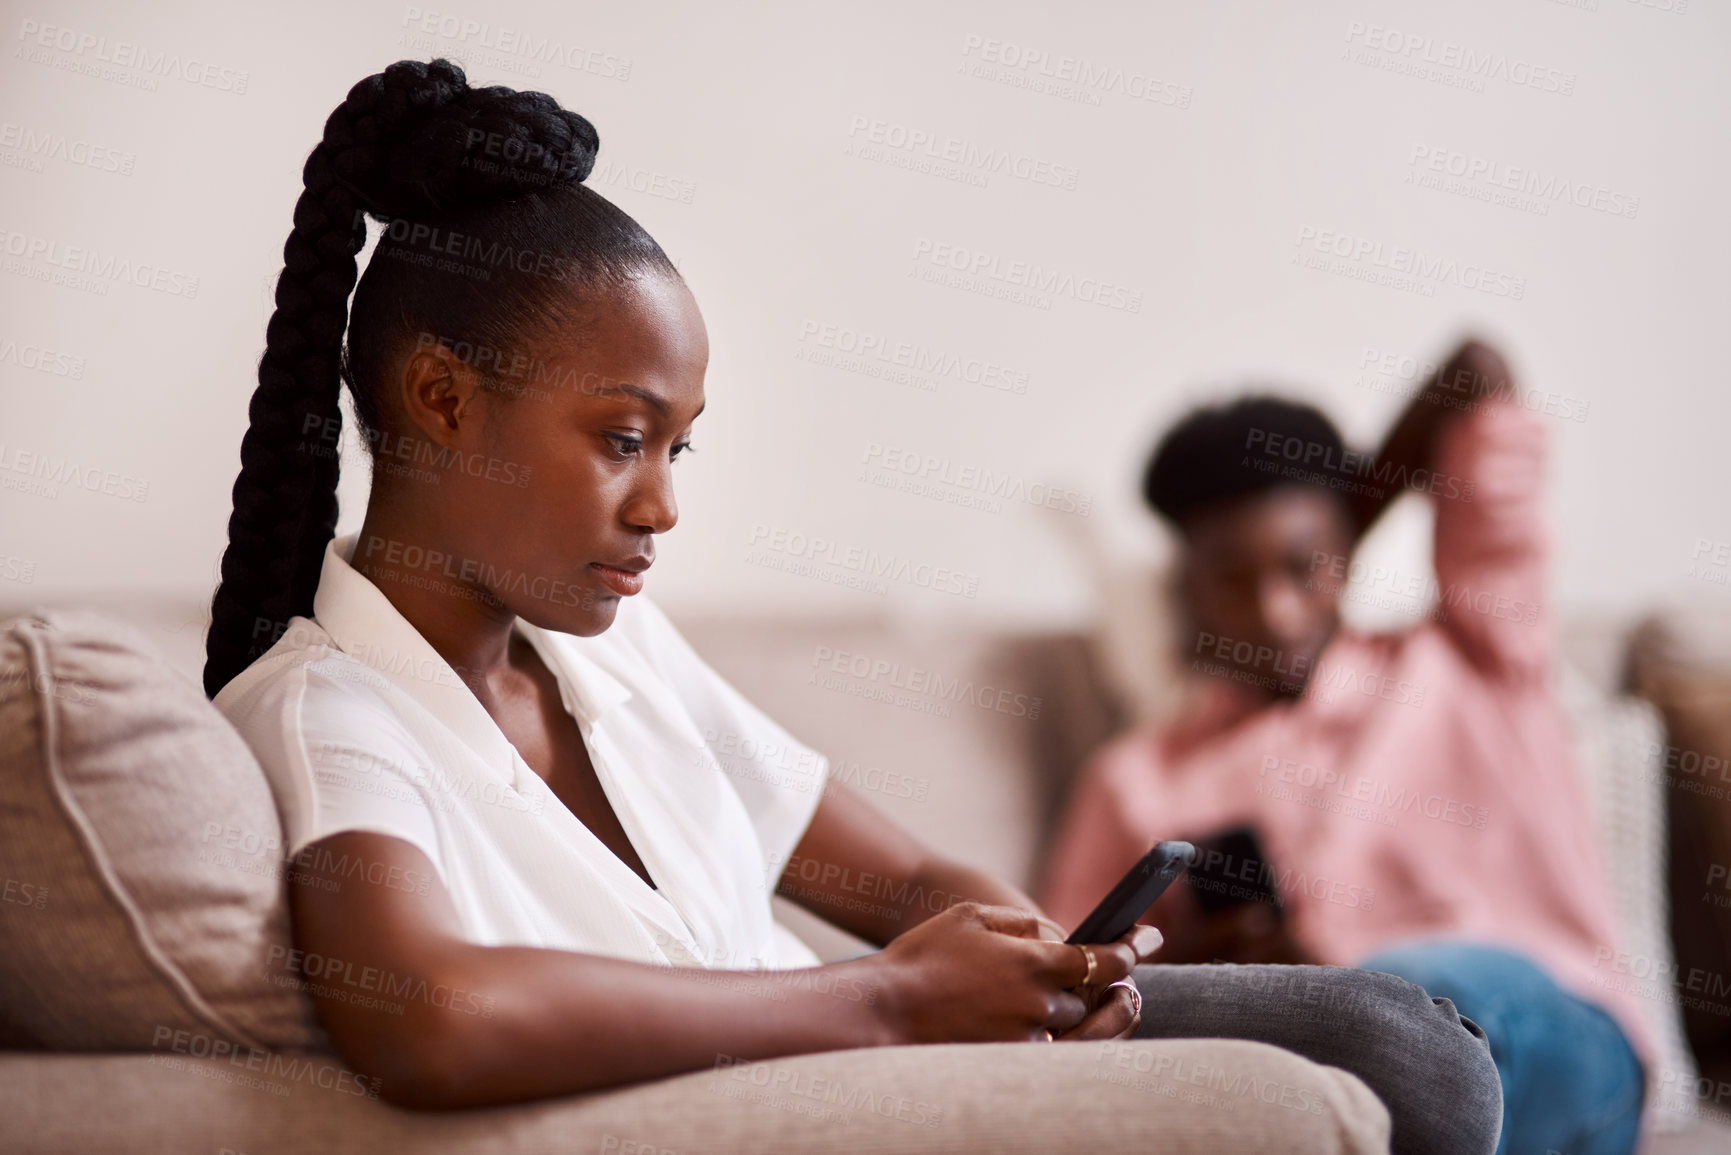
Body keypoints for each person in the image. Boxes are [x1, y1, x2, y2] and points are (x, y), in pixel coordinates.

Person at [204, 58, 1500, 1153]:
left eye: (677, 450)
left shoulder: (612, 653)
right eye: (619, 438)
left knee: (1418, 1047)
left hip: (898, 1062)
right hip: (826, 1096)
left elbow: (904, 878)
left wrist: (1042, 961)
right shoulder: (334, 709)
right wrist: (885, 998)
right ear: (440, 400)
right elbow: (434, 1011)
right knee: (1399, 1052)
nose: (658, 506)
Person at [1039, 339, 1649, 1154]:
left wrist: (1343, 512)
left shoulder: (1473, 653)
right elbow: (1063, 988)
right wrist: (1213, 964)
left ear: (1347, 551)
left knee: (1412, 1005)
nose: (1278, 612)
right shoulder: (1137, 779)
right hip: (1320, 1069)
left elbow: (1476, 368)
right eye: (1232, 573)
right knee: (1324, 1041)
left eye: (1302, 566)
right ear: (1182, 585)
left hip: (1554, 1038)